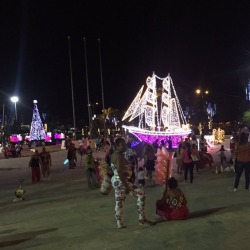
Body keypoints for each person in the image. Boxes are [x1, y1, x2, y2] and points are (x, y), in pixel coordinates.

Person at [111, 137, 156, 229]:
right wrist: (126, 186)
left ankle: (119, 223)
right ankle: (142, 219)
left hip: (116, 181)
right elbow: (119, 171)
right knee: (141, 194)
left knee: (119, 201)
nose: (125, 146)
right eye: (122, 145)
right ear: (117, 146)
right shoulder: (119, 156)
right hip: (121, 181)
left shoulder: (115, 155)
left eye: (125, 144)